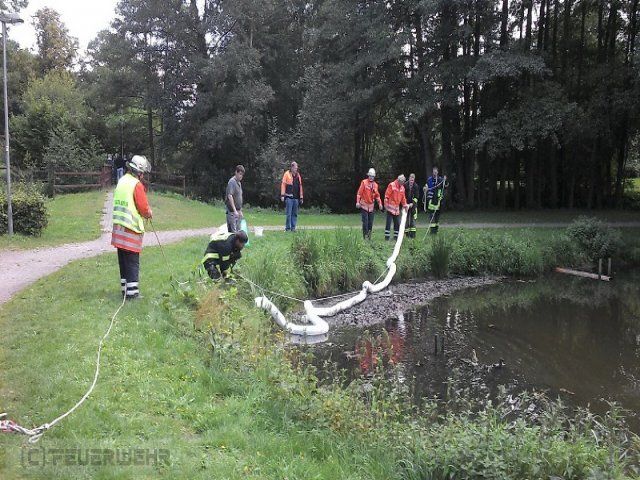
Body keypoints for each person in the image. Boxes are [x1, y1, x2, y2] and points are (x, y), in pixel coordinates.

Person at [111, 155, 153, 299]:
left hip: (118, 228)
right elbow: (143, 207)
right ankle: (132, 294)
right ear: (139, 172)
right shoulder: (136, 184)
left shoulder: (122, 180)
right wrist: (148, 213)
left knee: (123, 261)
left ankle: (125, 290)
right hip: (130, 228)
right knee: (132, 262)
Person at [356, 168, 383, 239]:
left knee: (370, 223)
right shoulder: (364, 182)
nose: (371, 177)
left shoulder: (375, 185)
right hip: (364, 205)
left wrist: (380, 203)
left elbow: (377, 196)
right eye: (370, 176)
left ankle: (369, 237)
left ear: (374, 177)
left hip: (371, 207)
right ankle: (365, 237)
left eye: (372, 176)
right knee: (365, 223)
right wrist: (358, 202)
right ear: (368, 175)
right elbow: (359, 193)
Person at [383, 175, 412, 241]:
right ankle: (387, 238)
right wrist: (386, 204)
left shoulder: (402, 188)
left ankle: (396, 238)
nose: (403, 183)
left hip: (396, 209)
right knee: (388, 223)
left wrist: (405, 205)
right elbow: (387, 195)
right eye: (402, 182)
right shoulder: (392, 185)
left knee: (397, 224)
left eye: (404, 182)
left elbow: (403, 198)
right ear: (399, 180)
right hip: (390, 208)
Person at [280, 161, 304, 232]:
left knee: (295, 214)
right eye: (295, 168)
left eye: (297, 168)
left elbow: (300, 186)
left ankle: (293, 228)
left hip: (296, 198)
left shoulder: (298, 175)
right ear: (292, 167)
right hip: (289, 197)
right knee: (289, 214)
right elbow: (283, 185)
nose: (296, 169)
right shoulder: (286, 174)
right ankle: (287, 228)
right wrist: (282, 195)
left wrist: (301, 197)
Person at [424, 166, 447, 234]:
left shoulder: (440, 179)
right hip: (431, 201)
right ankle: (432, 232)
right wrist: (424, 188)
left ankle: (436, 231)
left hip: (438, 201)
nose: (435, 173)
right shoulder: (429, 179)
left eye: (436, 172)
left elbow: (445, 186)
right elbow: (426, 186)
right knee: (432, 216)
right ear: (432, 172)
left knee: (437, 216)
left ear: (437, 172)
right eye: (434, 172)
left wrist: (445, 180)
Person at [225, 165, 245, 233]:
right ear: (236, 172)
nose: (241, 176)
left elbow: (239, 196)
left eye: (242, 175)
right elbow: (230, 196)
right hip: (232, 211)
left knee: (238, 232)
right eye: (240, 174)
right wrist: (235, 210)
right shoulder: (232, 182)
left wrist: (240, 210)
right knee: (232, 233)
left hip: (238, 211)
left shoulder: (239, 183)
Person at [404, 173, 421, 239]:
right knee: (406, 220)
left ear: (414, 180)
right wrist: (405, 204)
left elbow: (417, 197)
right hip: (406, 205)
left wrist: (412, 203)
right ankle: (407, 235)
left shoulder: (416, 186)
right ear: (409, 179)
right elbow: (403, 195)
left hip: (413, 206)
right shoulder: (405, 185)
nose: (411, 182)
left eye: (412, 180)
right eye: (411, 180)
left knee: (412, 220)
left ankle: (413, 236)